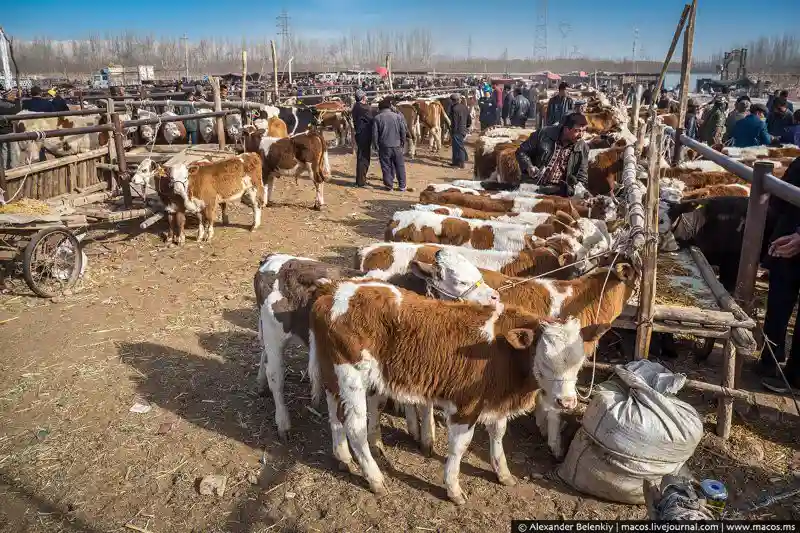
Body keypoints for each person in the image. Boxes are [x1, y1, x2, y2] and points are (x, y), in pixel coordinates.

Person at [759, 156, 800, 392]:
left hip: (788, 242)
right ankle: (795, 373)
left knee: (780, 303)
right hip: (790, 238)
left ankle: (771, 360)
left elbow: (779, 201)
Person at [515, 112, 589, 197]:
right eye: (577, 131)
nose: (581, 135)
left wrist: (572, 190)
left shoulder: (583, 147)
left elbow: (582, 176)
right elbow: (522, 151)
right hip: (533, 186)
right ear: (566, 129)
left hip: (560, 193)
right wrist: (529, 166)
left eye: (584, 131)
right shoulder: (543, 134)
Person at [372, 97, 408, 191]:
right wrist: (403, 142)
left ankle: (389, 185)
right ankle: (402, 186)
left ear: (380, 108)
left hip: (384, 146)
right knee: (400, 165)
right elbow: (403, 131)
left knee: (386, 166)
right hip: (397, 145)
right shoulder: (397, 116)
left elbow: (375, 134)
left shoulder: (377, 118)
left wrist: (375, 145)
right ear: (389, 107)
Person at [352, 89, 373, 187]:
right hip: (364, 135)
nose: (366, 97)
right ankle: (361, 182)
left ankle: (361, 180)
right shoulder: (362, 108)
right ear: (363, 97)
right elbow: (371, 117)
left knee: (362, 157)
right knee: (363, 158)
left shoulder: (357, 106)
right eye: (365, 96)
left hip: (361, 134)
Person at [449, 93, 470, 168]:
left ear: (452, 101)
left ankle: (461, 163)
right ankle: (455, 162)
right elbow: (469, 119)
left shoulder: (454, 109)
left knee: (459, 146)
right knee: (456, 146)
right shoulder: (465, 107)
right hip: (463, 129)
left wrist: (453, 131)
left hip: (457, 130)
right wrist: (467, 127)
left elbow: (454, 121)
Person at [0, 89, 19, 170]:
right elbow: (16, 116)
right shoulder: (11, 105)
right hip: (9, 129)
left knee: (4, 150)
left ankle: (4, 167)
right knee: (12, 149)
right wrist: (17, 101)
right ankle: (13, 167)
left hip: (1, 130)